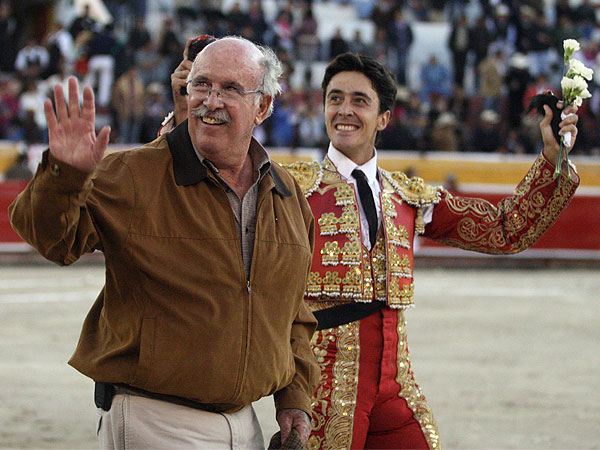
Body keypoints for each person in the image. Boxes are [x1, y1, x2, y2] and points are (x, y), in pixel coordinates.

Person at [166, 48, 580, 449]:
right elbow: (206, 180)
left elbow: (505, 230)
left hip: (396, 384)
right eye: (335, 99)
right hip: (320, 386)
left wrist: (551, 157)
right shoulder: (287, 185)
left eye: (359, 101)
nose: (344, 110)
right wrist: (189, 112)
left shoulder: (408, 196)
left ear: (383, 117)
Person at [9, 36, 319, 450]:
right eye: (201, 85)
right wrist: (63, 174)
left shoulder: (288, 194)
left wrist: (294, 400)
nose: (211, 100)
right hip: (154, 419)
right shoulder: (134, 173)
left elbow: (291, 312)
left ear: (263, 107)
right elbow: (51, 240)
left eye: (229, 89)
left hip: (246, 425)